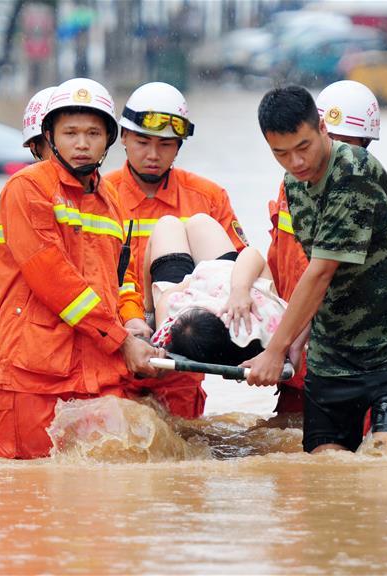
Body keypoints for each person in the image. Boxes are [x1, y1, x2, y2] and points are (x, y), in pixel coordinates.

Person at [248, 86, 387, 454]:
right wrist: (297, 343)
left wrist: (275, 350)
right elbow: (324, 282)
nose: (296, 162)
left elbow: (320, 272)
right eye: (281, 153)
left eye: (303, 147)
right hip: (333, 360)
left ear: (322, 127)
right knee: (327, 477)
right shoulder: (294, 186)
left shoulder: (355, 169)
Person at [0, 78, 162, 459]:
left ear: (108, 141)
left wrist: (134, 322)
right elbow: (53, 279)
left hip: (99, 369)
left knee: (107, 500)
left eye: (93, 133)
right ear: (49, 136)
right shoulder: (27, 187)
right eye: (70, 133)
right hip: (37, 372)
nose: (82, 144)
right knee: (28, 492)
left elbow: (123, 278)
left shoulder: (111, 199)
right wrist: (122, 341)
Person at [106, 82, 247, 419]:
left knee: (184, 452)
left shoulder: (208, 197)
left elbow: (234, 268)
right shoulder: (101, 195)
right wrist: (130, 323)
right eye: (142, 142)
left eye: (166, 145)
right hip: (116, 347)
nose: (153, 155)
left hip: (182, 352)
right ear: (123, 137)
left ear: (179, 146)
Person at [266, 80, 382, 416]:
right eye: (332, 141)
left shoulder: (365, 194)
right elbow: (277, 262)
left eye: (349, 144)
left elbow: (325, 276)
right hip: (292, 359)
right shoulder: (292, 187)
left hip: (344, 360)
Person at [0, 86, 57, 437]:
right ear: (37, 147)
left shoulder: (102, 202)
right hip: (24, 373)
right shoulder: (20, 207)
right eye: (60, 141)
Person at [143, 214, 296, 368]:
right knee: (200, 221)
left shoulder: (173, 329)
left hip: (186, 286)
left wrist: (193, 280)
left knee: (167, 224)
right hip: (230, 275)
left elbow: (166, 299)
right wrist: (240, 290)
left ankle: (147, 308)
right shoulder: (264, 321)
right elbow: (251, 254)